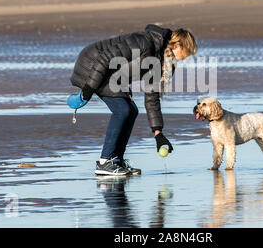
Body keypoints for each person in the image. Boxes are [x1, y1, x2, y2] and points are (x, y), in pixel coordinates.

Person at [70, 24, 197, 175]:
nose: (182, 59)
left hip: (112, 77)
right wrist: (89, 88)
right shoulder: (143, 42)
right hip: (91, 67)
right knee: (122, 110)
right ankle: (105, 162)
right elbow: (105, 58)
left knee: (131, 110)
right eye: (184, 53)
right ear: (177, 44)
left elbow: (152, 97)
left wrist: (158, 133)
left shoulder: (160, 61)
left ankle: (116, 160)